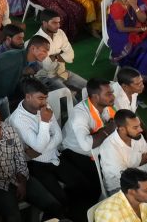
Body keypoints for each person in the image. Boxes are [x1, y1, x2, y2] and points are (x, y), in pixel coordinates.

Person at [9, 79, 99, 220]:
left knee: (84, 185)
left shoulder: (44, 106)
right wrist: (45, 123)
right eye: (40, 98)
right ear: (28, 97)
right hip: (36, 164)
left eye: (45, 98)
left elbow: (58, 136)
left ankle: (84, 214)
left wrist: (40, 148)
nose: (44, 102)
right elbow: (40, 146)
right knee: (61, 200)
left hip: (55, 156)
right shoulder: (18, 120)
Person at [99, 110, 147, 194]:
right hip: (119, 188)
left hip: (141, 182)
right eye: (135, 127)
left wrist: (130, 170)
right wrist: (140, 162)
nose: (141, 130)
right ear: (122, 129)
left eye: (139, 125)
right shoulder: (109, 147)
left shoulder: (138, 136)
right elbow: (124, 178)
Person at [34, 10, 87, 93]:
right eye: (54, 23)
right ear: (44, 23)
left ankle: (71, 90)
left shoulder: (60, 33)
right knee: (71, 99)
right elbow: (48, 67)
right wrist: (61, 56)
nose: (58, 25)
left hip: (63, 72)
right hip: (48, 78)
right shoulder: (37, 41)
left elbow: (71, 55)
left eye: (59, 22)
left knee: (89, 88)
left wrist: (54, 56)